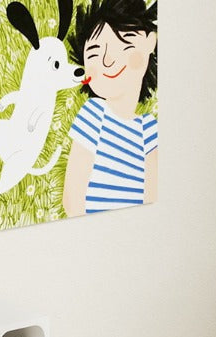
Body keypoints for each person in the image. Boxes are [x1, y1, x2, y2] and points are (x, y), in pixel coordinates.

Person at [63, 0, 158, 217]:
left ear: (149, 43)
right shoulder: (94, 114)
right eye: (94, 53)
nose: (107, 60)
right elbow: (72, 197)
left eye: (124, 45)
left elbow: (153, 198)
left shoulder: (148, 129)